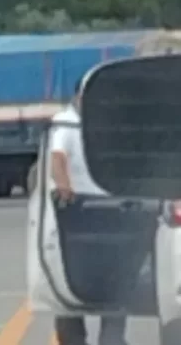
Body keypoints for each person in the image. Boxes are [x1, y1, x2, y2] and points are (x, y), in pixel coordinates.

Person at [50, 80, 128, 345]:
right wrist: (63, 187)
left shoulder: (103, 121)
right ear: (78, 96)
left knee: (116, 277)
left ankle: (112, 338)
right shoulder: (66, 121)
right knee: (71, 281)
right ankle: (73, 339)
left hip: (110, 208)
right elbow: (57, 157)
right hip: (76, 210)